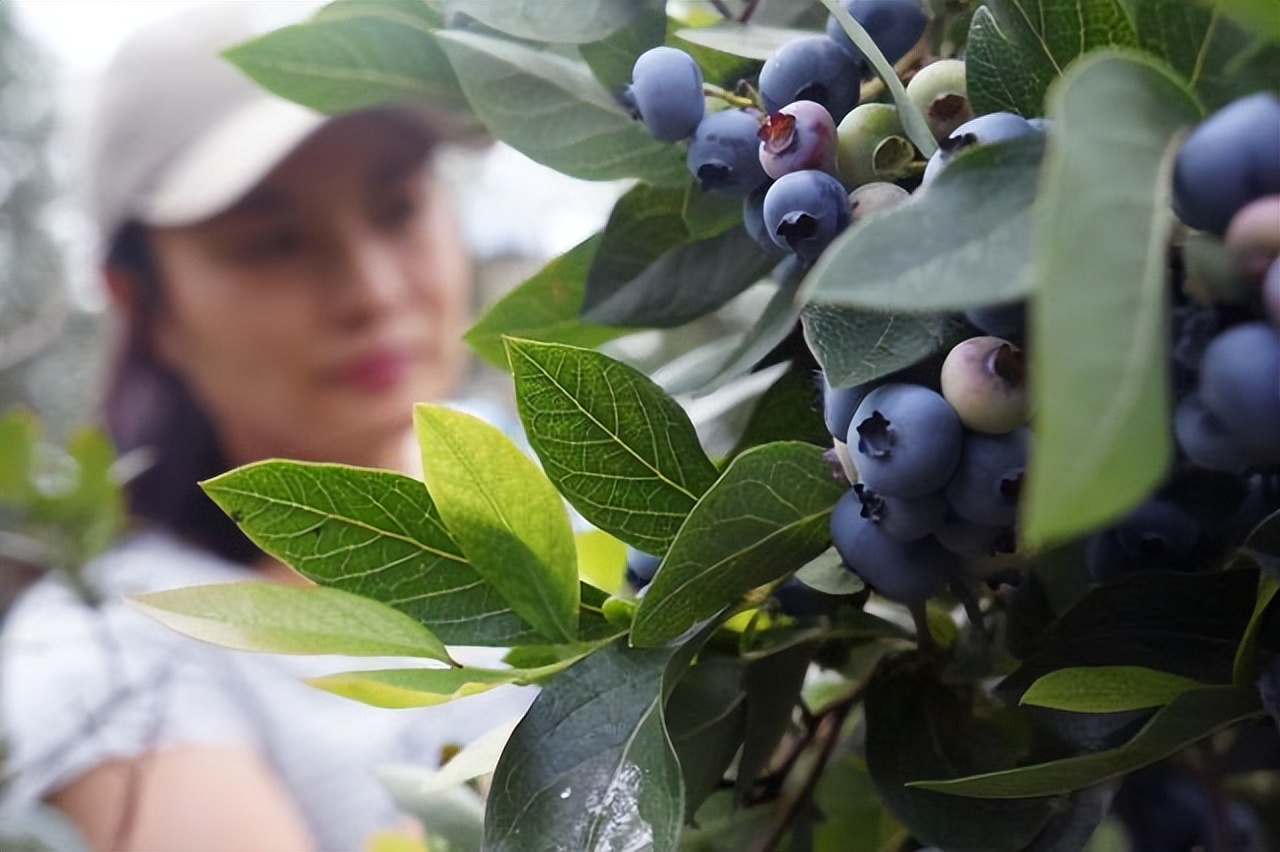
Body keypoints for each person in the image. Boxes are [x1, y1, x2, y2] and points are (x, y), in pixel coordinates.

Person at [0, 5, 533, 850]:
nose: (372, 291)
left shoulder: (547, 479)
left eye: (397, 206)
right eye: (274, 243)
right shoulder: (109, 657)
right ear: (144, 303)